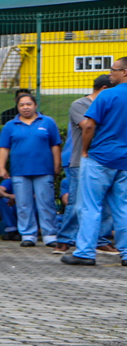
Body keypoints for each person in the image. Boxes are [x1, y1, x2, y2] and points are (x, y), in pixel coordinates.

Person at [64, 69, 127, 266]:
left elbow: (89, 126)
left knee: (90, 206)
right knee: (122, 208)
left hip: (100, 158)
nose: (110, 74)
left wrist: (84, 150)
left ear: (124, 72)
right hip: (124, 161)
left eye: (114, 70)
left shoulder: (108, 93)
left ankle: (85, 252)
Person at [0, 94, 63, 249]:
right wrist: (1, 167)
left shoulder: (47, 122)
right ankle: (28, 235)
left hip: (44, 170)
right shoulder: (10, 125)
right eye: (21, 105)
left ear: (35, 105)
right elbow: (4, 148)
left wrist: (57, 165)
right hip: (19, 171)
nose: (25, 107)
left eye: (28, 104)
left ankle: (50, 235)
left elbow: (55, 145)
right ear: (17, 107)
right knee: (23, 204)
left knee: (46, 202)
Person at [59, 74, 112, 253]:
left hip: (103, 160)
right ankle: (65, 239)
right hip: (79, 161)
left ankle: (101, 239)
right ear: (104, 89)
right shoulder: (79, 105)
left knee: (105, 203)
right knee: (76, 202)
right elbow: (88, 126)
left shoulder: (107, 105)